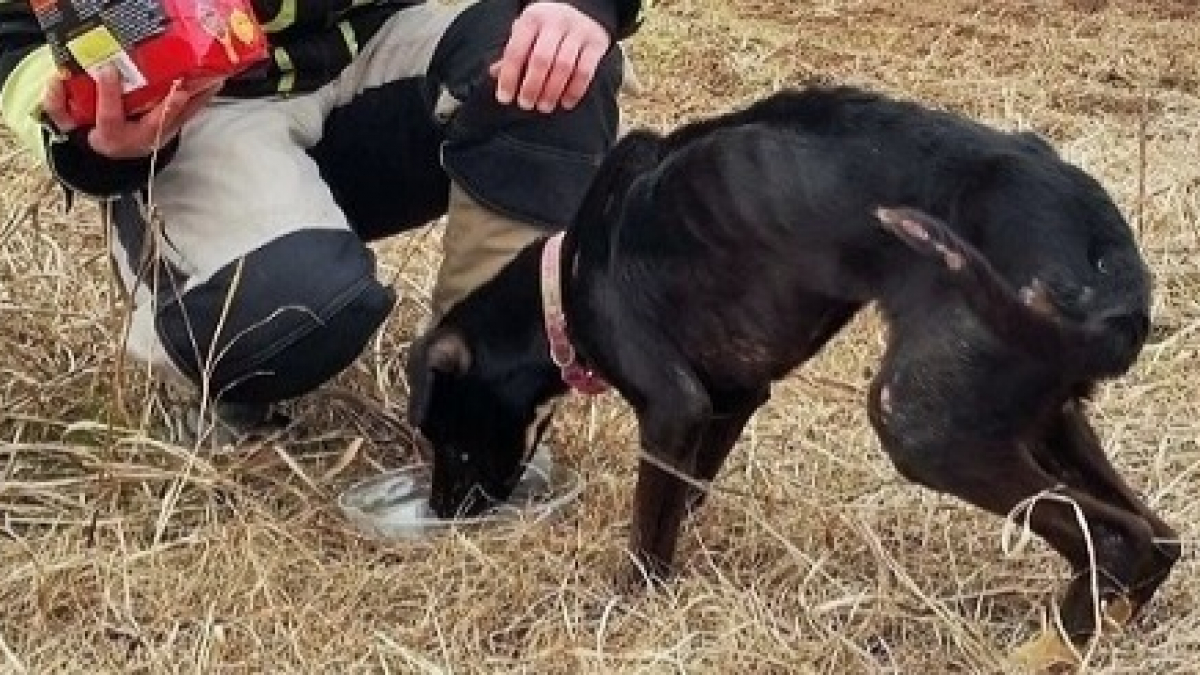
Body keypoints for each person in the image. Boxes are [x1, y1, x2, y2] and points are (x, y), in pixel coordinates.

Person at [0, 0, 641, 442]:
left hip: (380, 43)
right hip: (196, 108)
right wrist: (84, 136)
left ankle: (486, 397)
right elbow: (16, 38)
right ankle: (204, 330)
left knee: (553, 65)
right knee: (287, 314)